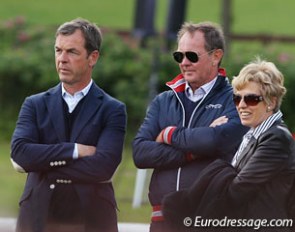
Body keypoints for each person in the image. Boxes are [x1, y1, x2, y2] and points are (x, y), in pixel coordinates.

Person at [11, 18, 127, 232]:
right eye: (58, 51)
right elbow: (20, 152)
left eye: (71, 52)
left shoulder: (113, 109)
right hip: (38, 214)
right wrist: (74, 150)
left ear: (93, 57)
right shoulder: (34, 104)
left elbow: (104, 167)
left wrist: (42, 166)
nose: (62, 59)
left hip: (92, 217)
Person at [132, 21, 248, 232]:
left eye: (192, 56)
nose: (184, 62)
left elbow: (215, 140)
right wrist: (193, 152)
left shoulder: (237, 100)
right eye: (179, 56)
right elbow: (140, 154)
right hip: (163, 220)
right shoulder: (163, 101)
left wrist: (168, 134)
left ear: (216, 56)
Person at [163, 58, 295, 231]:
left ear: (271, 101)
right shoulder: (254, 134)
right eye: (237, 98)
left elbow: (237, 190)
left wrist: (217, 173)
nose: (241, 105)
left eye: (252, 99)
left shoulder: (276, 137)